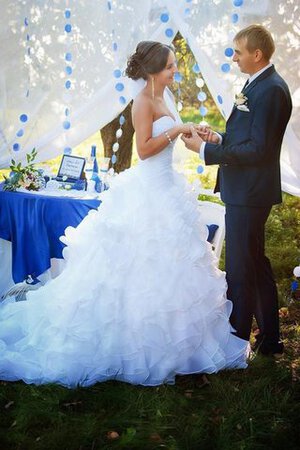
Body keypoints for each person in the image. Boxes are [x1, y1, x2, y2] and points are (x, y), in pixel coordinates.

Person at [0, 41, 248, 388]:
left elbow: (170, 138)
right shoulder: (143, 102)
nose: (175, 70)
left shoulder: (167, 99)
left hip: (168, 190)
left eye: (174, 65)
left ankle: (179, 347)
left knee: (173, 269)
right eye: (170, 66)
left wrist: (191, 130)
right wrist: (175, 130)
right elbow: (144, 150)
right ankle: (132, 345)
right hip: (147, 192)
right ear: (151, 71)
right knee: (134, 267)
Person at [182, 25, 292, 356]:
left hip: (250, 192)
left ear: (257, 54)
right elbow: (251, 139)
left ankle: (235, 343)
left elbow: (259, 150)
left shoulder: (271, 90)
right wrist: (218, 138)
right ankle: (270, 340)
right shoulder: (259, 84)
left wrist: (205, 153)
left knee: (242, 269)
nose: (234, 57)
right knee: (255, 264)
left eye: (238, 51)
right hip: (247, 190)